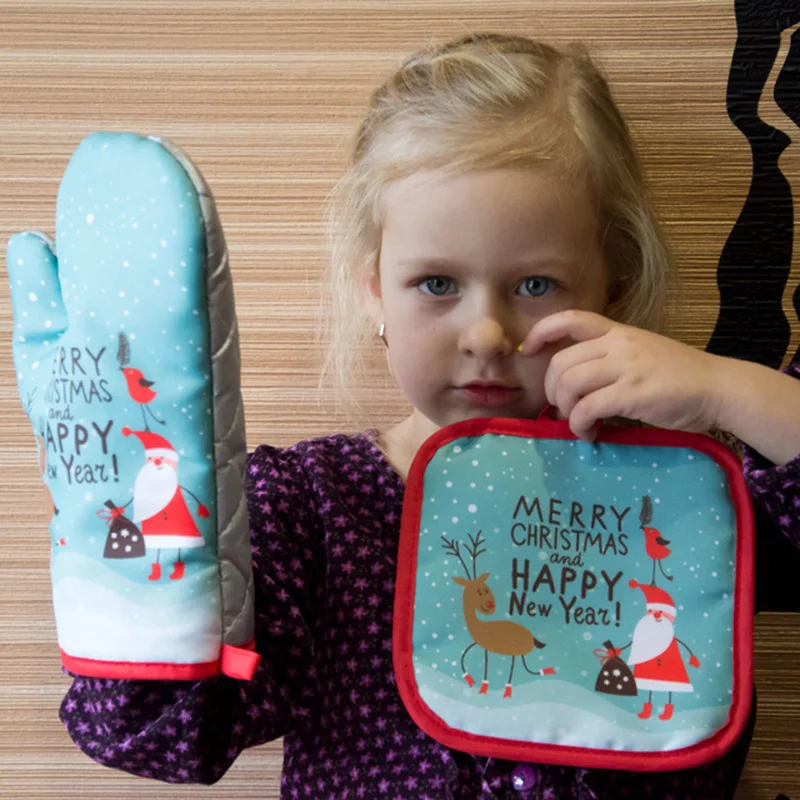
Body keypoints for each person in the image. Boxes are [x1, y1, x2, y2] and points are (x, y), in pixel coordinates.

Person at [56, 33, 800, 798]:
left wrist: (728, 390)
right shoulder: (308, 508)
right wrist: (129, 494)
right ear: (375, 291)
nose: (486, 335)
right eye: (437, 284)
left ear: (614, 284)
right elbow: (163, 731)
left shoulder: (682, 490)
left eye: (536, 285)